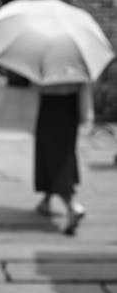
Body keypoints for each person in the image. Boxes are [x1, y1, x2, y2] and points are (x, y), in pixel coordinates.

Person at [34, 82, 94, 235]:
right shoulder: (76, 63)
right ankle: (46, 202)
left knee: (52, 157)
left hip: (49, 104)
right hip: (69, 106)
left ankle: (71, 206)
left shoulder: (47, 63)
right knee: (63, 154)